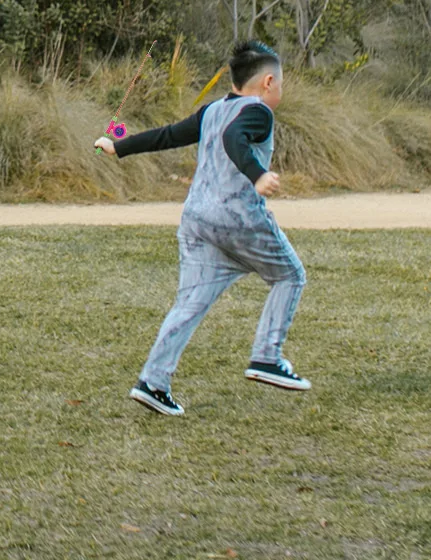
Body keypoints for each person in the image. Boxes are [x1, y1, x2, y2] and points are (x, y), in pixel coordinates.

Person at [95, 39, 308, 417]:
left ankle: (153, 382)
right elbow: (234, 138)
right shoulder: (258, 112)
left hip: (196, 220)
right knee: (290, 276)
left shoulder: (212, 110)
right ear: (268, 82)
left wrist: (118, 146)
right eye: (281, 83)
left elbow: (169, 134)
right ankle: (266, 357)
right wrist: (257, 175)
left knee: (189, 303)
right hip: (237, 219)